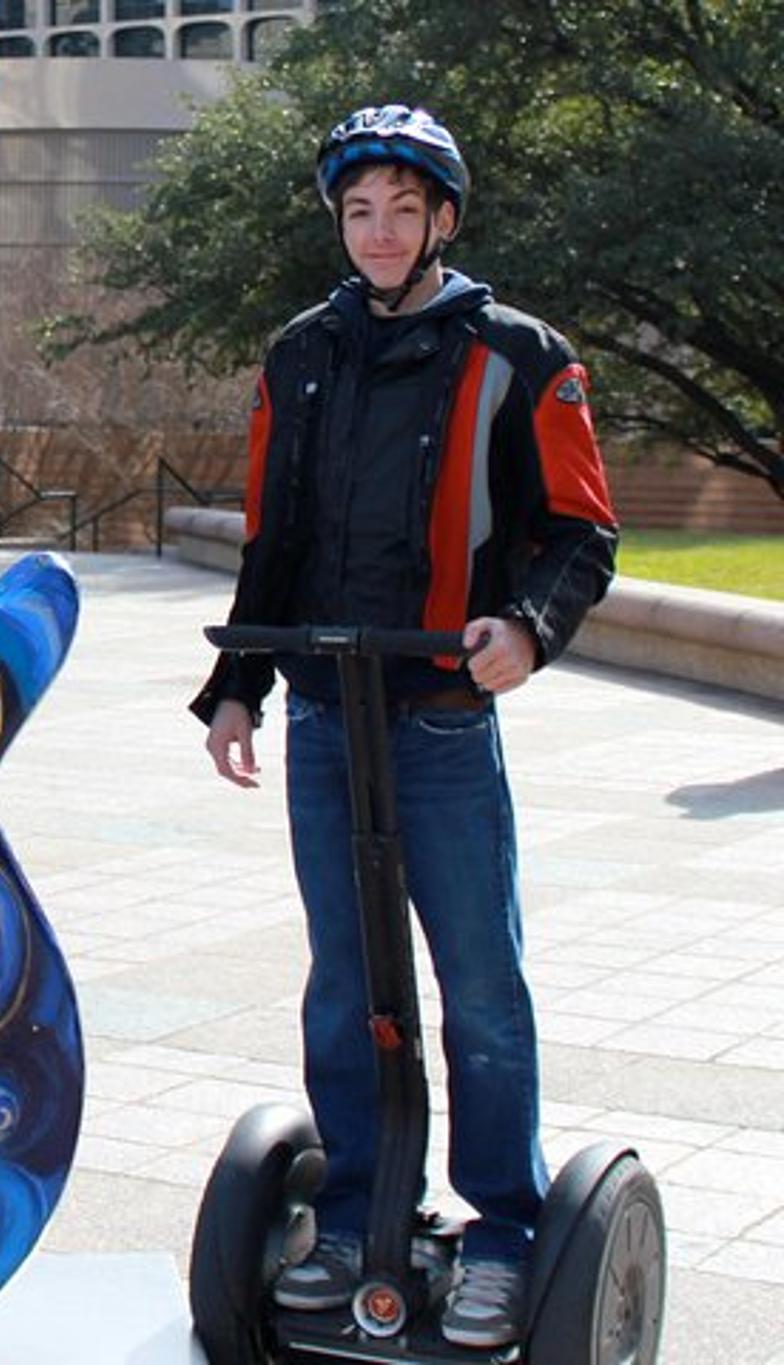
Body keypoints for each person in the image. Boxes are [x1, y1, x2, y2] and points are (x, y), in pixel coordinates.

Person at [193, 106, 618, 1350]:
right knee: (345, 982)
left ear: (440, 219)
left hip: (435, 718)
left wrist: (526, 629)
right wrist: (236, 687)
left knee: (477, 988)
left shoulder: (518, 357)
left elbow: (580, 530)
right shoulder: (298, 355)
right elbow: (273, 536)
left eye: (398, 208)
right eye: (355, 210)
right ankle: (354, 1215)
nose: (375, 231)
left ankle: (501, 1230)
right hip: (329, 711)